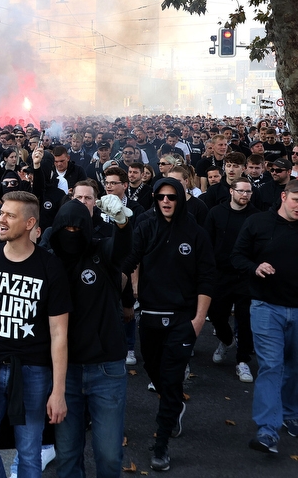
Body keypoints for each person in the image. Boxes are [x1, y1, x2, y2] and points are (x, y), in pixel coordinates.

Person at [0, 191, 70, 478]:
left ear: (30, 223)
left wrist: (58, 391)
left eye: (10, 215)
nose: (1, 219)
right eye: (2, 212)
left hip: (32, 371)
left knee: (29, 452)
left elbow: (59, 333)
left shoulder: (50, 267)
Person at [122, 178, 215, 471]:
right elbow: (129, 262)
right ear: (155, 198)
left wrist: (198, 320)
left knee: (172, 379)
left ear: (180, 199)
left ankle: (161, 444)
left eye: (172, 197)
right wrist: (111, 290)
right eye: (161, 196)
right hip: (150, 315)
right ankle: (174, 407)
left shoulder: (196, 233)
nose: (166, 202)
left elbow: (206, 278)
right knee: (153, 369)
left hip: (182, 319)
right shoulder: (145, 226)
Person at [47, 196, 132, 478]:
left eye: (78, 229)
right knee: (68, 454)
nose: (72, 235)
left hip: (106, 368)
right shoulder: (48, 261)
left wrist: (121, 223)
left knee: (108, 454)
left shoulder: (101, 252)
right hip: (65, 372)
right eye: (66, 229)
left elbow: (121, 249)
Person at [231, 178, 298, 454]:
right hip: (265, 307)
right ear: (284, 196)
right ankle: (268, 430)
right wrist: (255, 266)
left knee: (294, 367)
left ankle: (291, 413)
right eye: (297, 200)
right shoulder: (258, 223)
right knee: (271, 366)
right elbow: (237, 256)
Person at [203, 177, 259, 384]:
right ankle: (226, 340)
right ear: (231, 191)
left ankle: (242, 361)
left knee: (245, 319)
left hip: (246, 275)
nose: (245, 195)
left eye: (248, 192)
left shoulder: (255, 216)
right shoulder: (216, 213)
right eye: (241, 191)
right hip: (220, 274)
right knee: (217, 314)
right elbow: (207, 243)